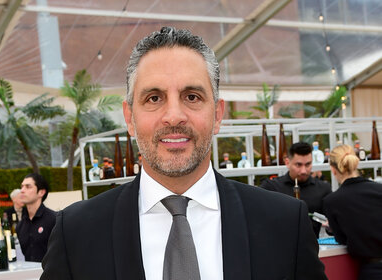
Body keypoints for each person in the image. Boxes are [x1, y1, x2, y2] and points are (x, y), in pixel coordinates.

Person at [41, 27, 326, 280]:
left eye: (192, 97)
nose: (174, 116)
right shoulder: (76, 233)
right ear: (129, 118)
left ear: (217, 114)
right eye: (154, 98)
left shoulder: (284, 223)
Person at [323, 144, 382, 280]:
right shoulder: (379, 189)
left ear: (333, 169)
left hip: (373, 271)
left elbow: (342, 239)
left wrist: (332, 227)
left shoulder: (332, 201)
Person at [260, 142, 332, 238]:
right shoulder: (271, 187)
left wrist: (330, 226)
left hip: (312, 248)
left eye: (308, 164)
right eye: (298, 165)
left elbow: (333, 227)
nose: (303, 171)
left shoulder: (323, 188)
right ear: (287, 162)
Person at [17, 173, 55, 262]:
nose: (22, 190)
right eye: (22, 186)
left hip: (52, 274)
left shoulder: (54, 220)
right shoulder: (20, 226)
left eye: (28, 187)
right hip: (30, 274)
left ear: (41, 192)